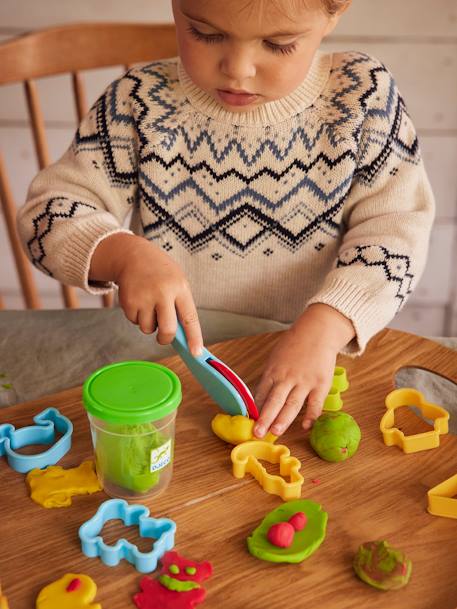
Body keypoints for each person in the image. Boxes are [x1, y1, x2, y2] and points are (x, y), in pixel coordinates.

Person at [17, 0, 435, 439]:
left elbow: (396, 229)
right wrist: (120, 255)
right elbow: (48, 215)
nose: (238, 69)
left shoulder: (362, 97)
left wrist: (330, 323)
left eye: (278, 44)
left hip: (310, 373)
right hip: (172, 378)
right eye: (205, 34)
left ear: (334, 13)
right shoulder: (138, 103)